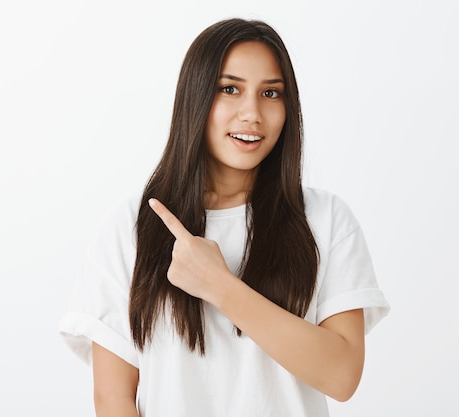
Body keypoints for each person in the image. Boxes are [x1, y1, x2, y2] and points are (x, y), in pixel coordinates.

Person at [59, 17, 390, 417]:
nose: (252, 113)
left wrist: (220, 286)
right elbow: (113, 400)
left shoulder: (325, 219)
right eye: (229, 89)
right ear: (195, 98)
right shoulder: (133, 227)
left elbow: (342, 377)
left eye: (271, 93)